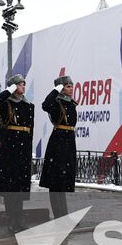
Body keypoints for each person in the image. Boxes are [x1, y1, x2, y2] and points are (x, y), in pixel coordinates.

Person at [0, 74, 34, 231]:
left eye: (24, 84)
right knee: (10, 185)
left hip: (23, 148)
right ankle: (12, 219)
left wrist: (29, 149)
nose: (23, 86)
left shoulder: (28, 105)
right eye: (19, 84)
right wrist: (8, 91)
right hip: (10, 147)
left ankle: (19, 219)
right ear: (13, 87)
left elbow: (30, 129)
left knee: (20, 185)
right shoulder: (5, 103)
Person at [39, 76, 79, 217]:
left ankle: (64, 214)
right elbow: (45, 105)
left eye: (71, 86)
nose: (71, 89)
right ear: (61, 88)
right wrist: (56, 89)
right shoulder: (56, 102)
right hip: (58, 142)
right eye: (68, 86)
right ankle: (58, 214)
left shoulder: (71, 103)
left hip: (68, 141)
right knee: (56, 181)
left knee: (63, 181)